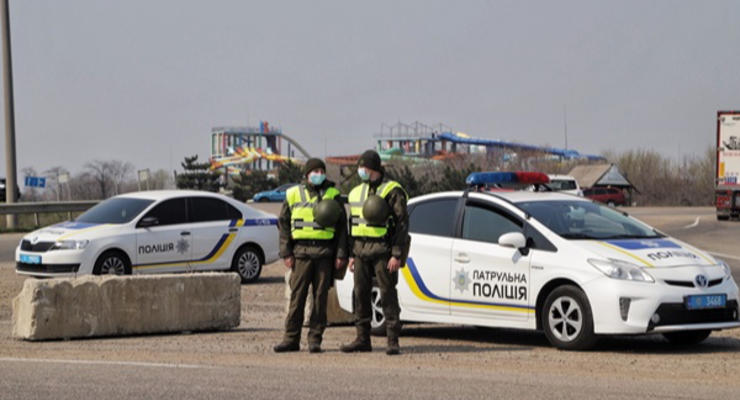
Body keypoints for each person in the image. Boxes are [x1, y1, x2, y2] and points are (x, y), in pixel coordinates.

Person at [273, 158, 348, 353]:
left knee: (320, 299)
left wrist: (341, 254)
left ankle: (315, 340)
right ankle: (291, 339)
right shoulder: (293, 194)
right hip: (301, 254)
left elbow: (342, 227)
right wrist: (286, 252)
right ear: (307, 174)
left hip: (325, 254)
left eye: (321, 171)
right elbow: (284, 225)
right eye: (315, 171)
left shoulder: (333, 194)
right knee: (297, 298)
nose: (318, 175)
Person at [340, 150, 409, 355]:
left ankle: (392, 340)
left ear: (374, 168)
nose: (361, 171)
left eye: (364, 167)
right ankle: (362, 338)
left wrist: (396, 254)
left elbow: (402, 224)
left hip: (383, 250)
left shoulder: (392, 190)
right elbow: (352, 224)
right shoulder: (355, 192)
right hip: (360, 250)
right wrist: (351, 254)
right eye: (360, 167)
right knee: (360, 294)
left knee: (387, 294)